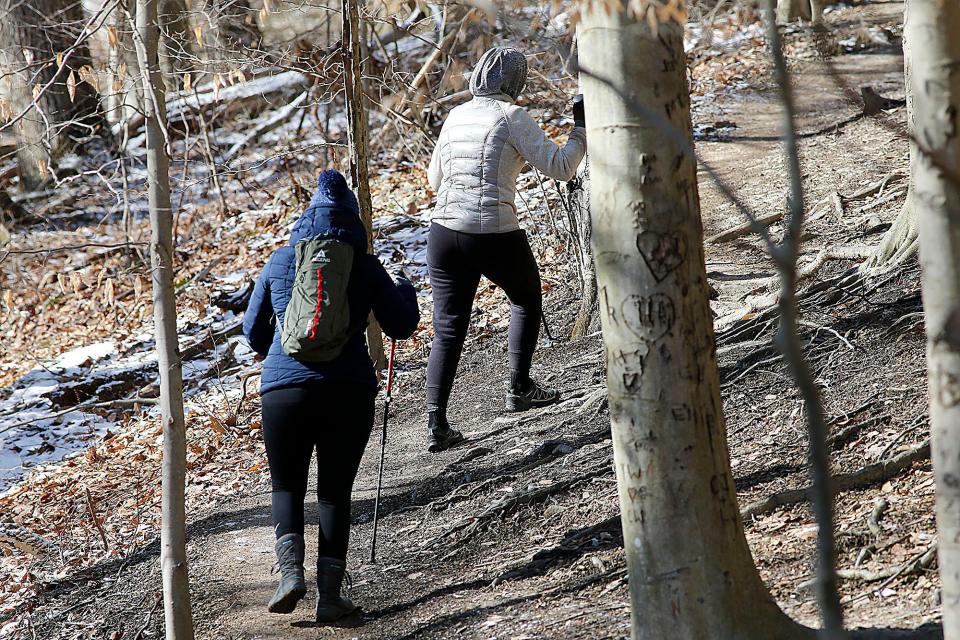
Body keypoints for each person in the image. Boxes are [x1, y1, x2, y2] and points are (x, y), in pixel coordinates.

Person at [243, 170, 419, 622]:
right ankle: (330, 596)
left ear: (306, 219)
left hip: (283, 391)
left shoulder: (281, 261)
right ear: (353, 219)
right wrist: (405, 290)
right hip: (348, 390)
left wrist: (280, 354)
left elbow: (252, 333)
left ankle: (289, 573)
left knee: (287, 485)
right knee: (335, 492)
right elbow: (401, 325)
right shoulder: (364, 263)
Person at [424, 46, 587, 453]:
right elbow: (563, 167)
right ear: (516, 83)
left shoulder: (455, 116)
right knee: (527, 298)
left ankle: (436, 421)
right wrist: (581, 129)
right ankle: (519, 388)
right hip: (492, 230)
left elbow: (433, 180)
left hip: (443, 232)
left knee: (448, 325)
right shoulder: (512, 117)